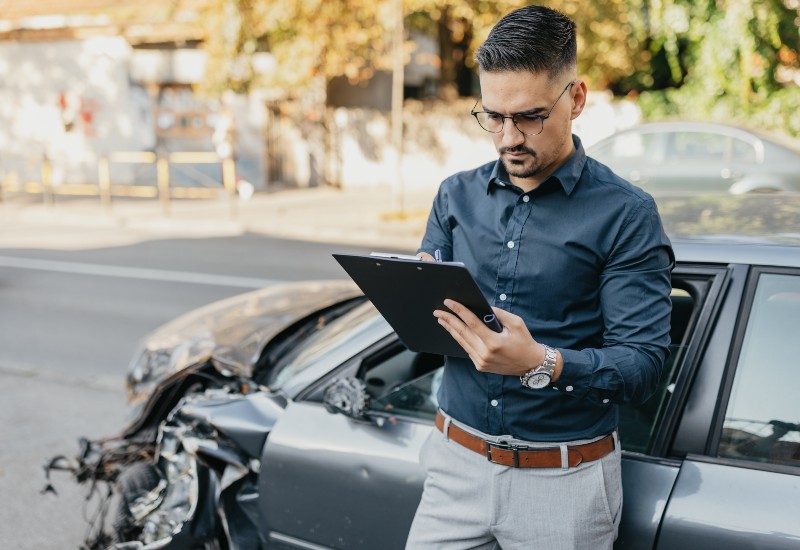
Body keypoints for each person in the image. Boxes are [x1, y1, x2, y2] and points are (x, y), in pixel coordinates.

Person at [406, 5, 673, 549]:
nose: (508, 138)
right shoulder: (454, 196)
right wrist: (413, 297)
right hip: (453, 466)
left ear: (575, 99)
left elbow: (644, 364)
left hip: (565, 485)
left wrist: (542, 364)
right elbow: (425, 329)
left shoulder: (627, 214)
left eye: (529, 116)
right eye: (493, 116)